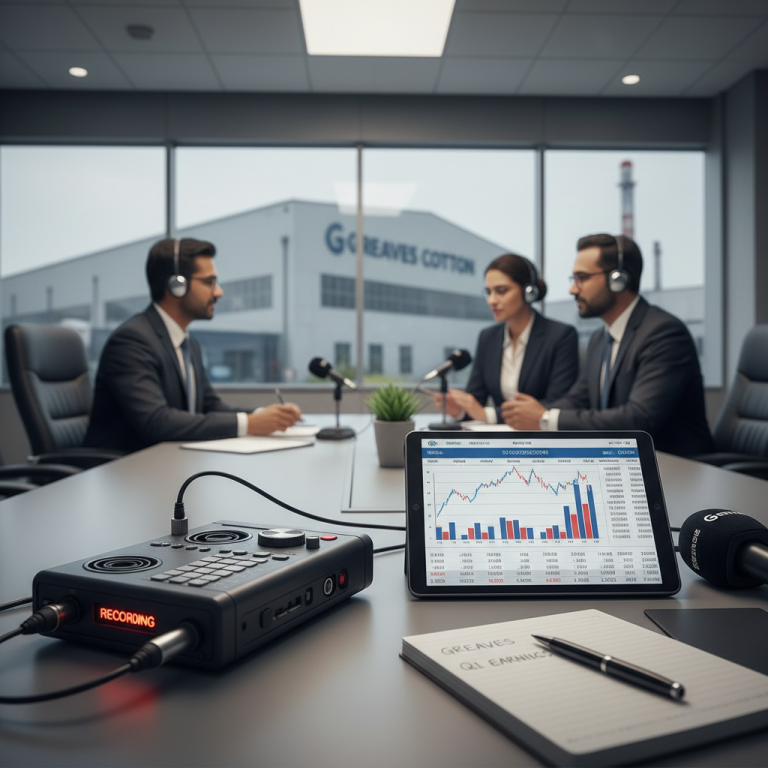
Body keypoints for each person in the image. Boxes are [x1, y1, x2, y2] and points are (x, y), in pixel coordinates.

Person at [84, 237, 301, 453]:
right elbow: (156, 422)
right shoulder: (132, 341)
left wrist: (265, 416)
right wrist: (249, 423)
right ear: (176, 285)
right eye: (209, 282)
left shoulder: (188, 344)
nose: (218, 292)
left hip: (166, 464)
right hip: (121, 471)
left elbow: (209, 406)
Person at [505, 233, 714, 457]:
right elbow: (579, 399)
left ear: (618, 280)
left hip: (677, 468)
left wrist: (546, 419)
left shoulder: (664, 334)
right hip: (627, 462)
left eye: (582, 278)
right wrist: (536, 412)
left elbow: (639, 419)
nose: (572, 290)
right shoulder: (599, 338)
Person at [435, 253, 579, 423]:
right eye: (488, 292)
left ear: (528, 292)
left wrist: (489, 415)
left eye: (501, 291)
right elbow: (476, 400)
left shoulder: (561, 335)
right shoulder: (488, 337)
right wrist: (459, 410)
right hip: (501, 438)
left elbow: (557, 405)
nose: (492, 301)